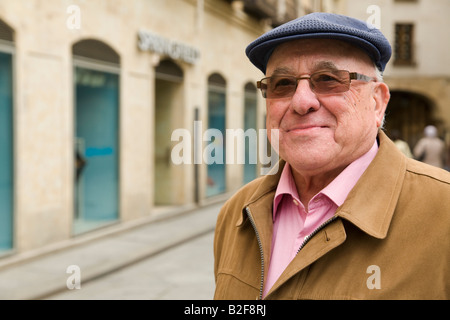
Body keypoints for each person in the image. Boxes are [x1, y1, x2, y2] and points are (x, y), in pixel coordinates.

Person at [213, 12, 450, 300]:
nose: (301, 102)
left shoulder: (442, 213)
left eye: (328, 79)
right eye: (283, 84)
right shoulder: (238, 212)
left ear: (377, 103)